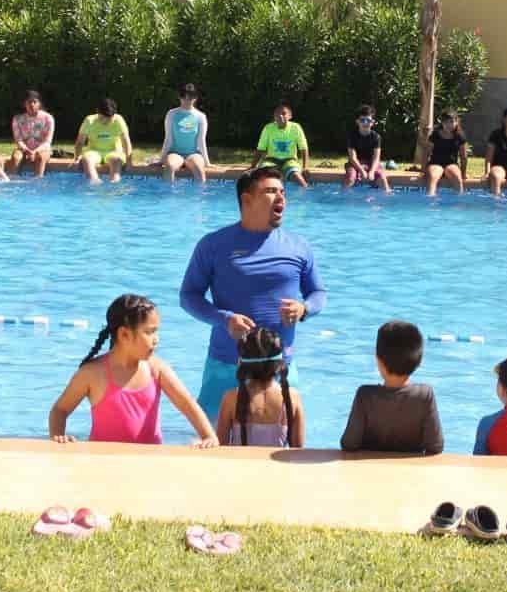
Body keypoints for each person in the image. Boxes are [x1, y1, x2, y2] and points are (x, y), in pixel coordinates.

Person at [180, 167, 327, 420]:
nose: (281, 198)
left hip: (281, 365)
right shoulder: (213, 245)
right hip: (226, 365)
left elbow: (318, 292)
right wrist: (224, 319)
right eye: (271, 191)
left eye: (282, 192)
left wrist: (304, 309)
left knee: (281, 446)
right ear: (246, 200)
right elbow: (188, 296)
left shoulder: (299, 246)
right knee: (213, 445)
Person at [48, 294, 218, 447]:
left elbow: (187, 404)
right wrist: (58, 436)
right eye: (149, 332)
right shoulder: (93, 373)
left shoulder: (157, 369)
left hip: (149, 462)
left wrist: (209, 436)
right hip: (102, 462)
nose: (156, 339)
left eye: (156, 331)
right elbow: (60, 410)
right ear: (124, 335)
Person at [340, 320, 444, 455]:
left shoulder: (365, 396)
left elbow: (349, 444)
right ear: (419, 361)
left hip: (369, 473)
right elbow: (436, 446)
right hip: (410, 473)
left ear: (378, 361)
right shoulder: (425, 395)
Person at [215, 326, 305, 448]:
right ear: (280, 364)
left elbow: (220, 448)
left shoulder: (231, 398)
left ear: (242, 364)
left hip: (239, 466)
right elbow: (298, 451)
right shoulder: (292, 397)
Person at [252, 102, 311, 189]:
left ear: (290, 116)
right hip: (271, 160)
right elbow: (260, 148)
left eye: (283, 113)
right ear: (274, 117)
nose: (280, 116)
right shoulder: (268, 128)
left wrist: (305, 167)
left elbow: (303, 148)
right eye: (277, 114)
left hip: (290, 160)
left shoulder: (296, 128)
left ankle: (306, 192)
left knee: (297, 177)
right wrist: (253, 166)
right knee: (264, 176)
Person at [159, 83, 210, 184]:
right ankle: (169, 198)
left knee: (200, 171)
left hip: (193, 154)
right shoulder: (171, 114)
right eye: (183, 96)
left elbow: (201, 141)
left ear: (195, 98)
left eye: (190, 96)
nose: (187, 99)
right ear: (179, 97)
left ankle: (198, 198)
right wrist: (162, 159)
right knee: (169, 167)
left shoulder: (200, 116)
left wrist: (207, 162)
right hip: (175, 153)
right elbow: (168, 139)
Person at [73, 97, 132, 184]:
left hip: (114, 151)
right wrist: (77, 158)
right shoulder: (89, 121)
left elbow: (126, 142)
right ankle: (95, 182)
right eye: (103, 118)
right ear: (97, 112)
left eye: (109, 118)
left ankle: (114, 183)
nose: (105, 121)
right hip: (94, 151)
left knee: (116, 160)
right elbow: (80, 142)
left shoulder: (119, 120)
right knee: (87, 160)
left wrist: (129, 162)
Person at [343, 104, 391, 193]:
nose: (365, 123)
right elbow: (352, 157)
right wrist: (361, 171)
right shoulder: (352, 136)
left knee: (382, 178)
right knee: (350, 178)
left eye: (368, 120)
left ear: (372, 122)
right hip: (355, 163)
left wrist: (372, 171)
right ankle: (344, 196)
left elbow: (376, 158)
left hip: (371, 163)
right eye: (362, 120)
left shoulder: (376, 137)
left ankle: (388, 195)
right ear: (357, 122)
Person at [9, 90, 55, 177]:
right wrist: (27, 150)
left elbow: (47, 142)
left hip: (42, 149)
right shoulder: (17, 119)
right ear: (24, 104)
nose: (32, 105)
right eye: (29, 102)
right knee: (16, 157)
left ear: (39, 104)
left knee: (40, 157)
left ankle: (37, 181)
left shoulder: (48, 118)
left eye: (35, 102)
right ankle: (13, 180)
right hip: (24, 149)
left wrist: (35, 151)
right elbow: (18, 140)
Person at [424, 111, 468, 196]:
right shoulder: (435, 134)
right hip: (435, 163)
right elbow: (427, 152)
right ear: (442, 123)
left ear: (456, 122)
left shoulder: (460, 137)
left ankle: (459, 201)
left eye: (451, 122)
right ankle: (430, 200)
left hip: (451, 164)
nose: (449, 125)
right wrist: (423, 169)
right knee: (433, 177)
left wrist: (463, 173)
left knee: (457, 178)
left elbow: (464, 157)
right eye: (446, 122)